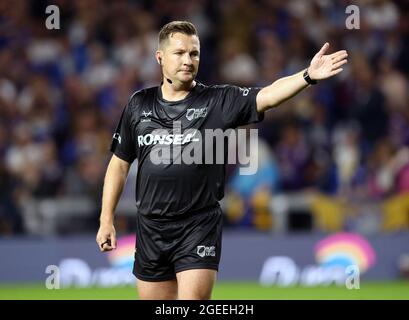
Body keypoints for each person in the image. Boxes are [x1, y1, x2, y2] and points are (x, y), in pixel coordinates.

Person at [96, 21, 348, 300]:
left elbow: (267, 96)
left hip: (197, 225)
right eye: (179, 53)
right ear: (160, 57)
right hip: (151, 228)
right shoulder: (138, 104)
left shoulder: (217, 100)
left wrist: (307, 76)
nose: (188, 60)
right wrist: (106, 219)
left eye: (194, 53)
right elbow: (119, 164)